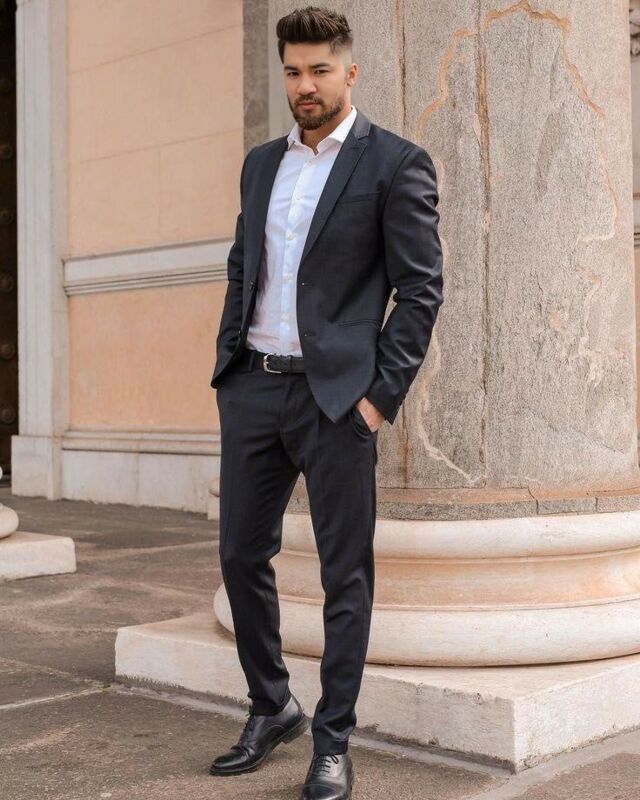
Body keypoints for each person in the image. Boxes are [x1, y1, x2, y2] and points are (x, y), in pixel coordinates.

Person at [209, 6, 443, 799]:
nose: (304, 85)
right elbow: (243, 265)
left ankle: (333, 739)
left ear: (349, 71)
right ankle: (272, 704)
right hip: (254, 389)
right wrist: (229, 368)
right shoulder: (261, 165)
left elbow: (421, 290)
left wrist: (378, 399)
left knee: (346, 576)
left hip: (338, 402)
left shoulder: (395, 164)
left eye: (319, 70)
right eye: (293, 71)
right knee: (240, 554)